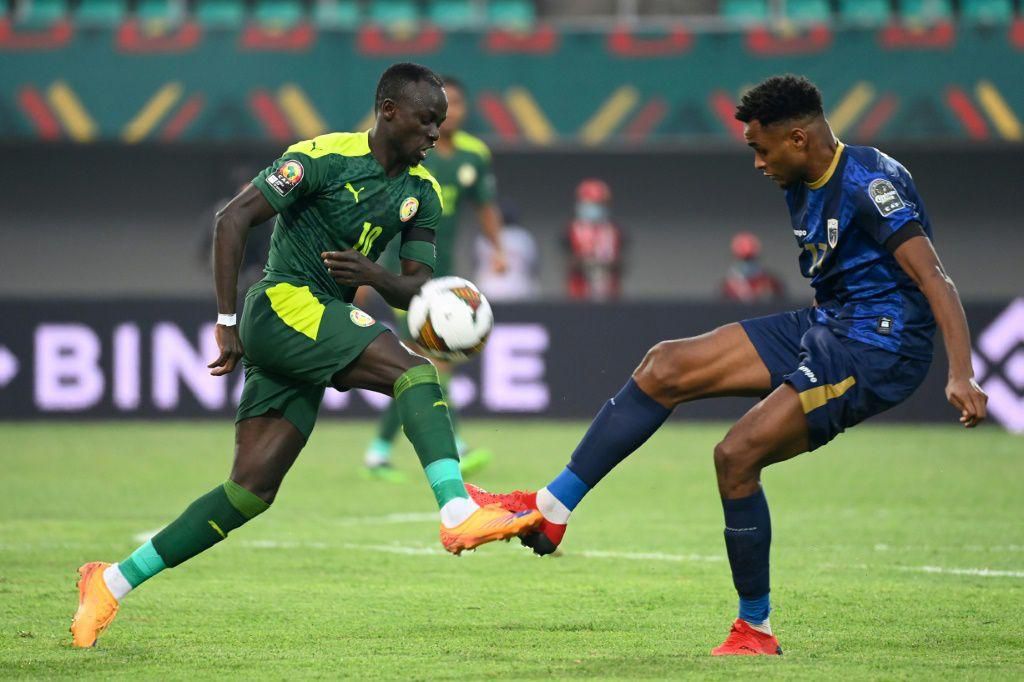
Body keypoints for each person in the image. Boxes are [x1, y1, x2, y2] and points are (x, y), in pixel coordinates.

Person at [468, 74, 987, 656]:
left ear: (798, 138)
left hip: (878, 347)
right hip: (830, 322)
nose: (758, 164)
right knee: (665, 365)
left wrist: (961, 373)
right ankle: (552, 508)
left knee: (735, 456)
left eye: (761, 149)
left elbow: (935, 279)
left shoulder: (869, 183)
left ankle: (754, 629)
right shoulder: (802, 174)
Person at [70, 62, 541, 648]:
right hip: (283, 303)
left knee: (249, 490)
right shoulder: (323, 158)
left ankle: (110, 581)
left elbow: (416, 288)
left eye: (440, 123)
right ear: (389, 111)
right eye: (426, 121)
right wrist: (225, 321)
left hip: (315, 322)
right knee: (414, 372)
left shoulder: (422, 192)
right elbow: (232, 218)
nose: (434, 134)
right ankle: (456, 510)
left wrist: (374, 274)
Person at [362, 75, 506, 483]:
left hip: (443, 274)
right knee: (432, 360)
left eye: (459, 104)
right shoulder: (409, 149)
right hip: (402, 271)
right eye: (447, 105)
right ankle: (453, 445)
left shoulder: (474, 154)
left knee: (422, 365)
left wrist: (498, 249)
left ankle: (379, 451)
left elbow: (485, 205)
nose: (453, 112)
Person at [565, 178, 624, 301]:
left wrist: (606, 264)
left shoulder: (614, 230)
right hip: (579, 294)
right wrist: (587, 263)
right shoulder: (571, 230)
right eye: (591, 204)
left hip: (610, 294)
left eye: (600, 204)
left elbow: (621, 262)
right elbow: (568, 262)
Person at [474, 202, 540, 302]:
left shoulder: (483, 238)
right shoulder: (524, 237)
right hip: (519, 293)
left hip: (487, 293)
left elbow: (475, 263)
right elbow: (534, 268)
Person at [721, 231, 785, 303]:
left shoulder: (770, 283)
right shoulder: (728, 286)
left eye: (750, 259)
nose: (746, 264)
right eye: (743, 259)